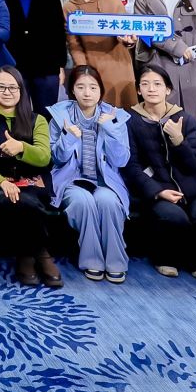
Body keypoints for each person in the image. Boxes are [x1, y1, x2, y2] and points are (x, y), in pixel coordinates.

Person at [122, 64, 196, 280]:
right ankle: (165, 259)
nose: (151, 89)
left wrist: (178, 140)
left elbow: (195, 165)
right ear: (138, 90)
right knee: (174, 217)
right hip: (156, 188)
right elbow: (131, 166)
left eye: (157, 84)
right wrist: (158, 191)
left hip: (191, 189)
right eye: (145, 84)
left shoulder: (185, 118)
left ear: (168, 89)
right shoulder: (130, 120)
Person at [47, 66, 132, 283]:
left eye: (93, 87)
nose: (87, 93)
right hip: (69, 180)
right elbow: (55, 159)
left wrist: (111, 129)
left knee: (108, 201)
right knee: (83, 201)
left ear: (100, 90)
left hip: (105, 181)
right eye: (81, 87)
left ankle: (116, 261)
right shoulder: (59, 116)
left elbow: (121, 161)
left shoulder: (115, 117)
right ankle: (92, 260)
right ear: (72, 90)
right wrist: (67, 137)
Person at [0, 63, 59, 288]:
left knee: (28, 199)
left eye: (12, 87)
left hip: (33, 181)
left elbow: (44, 157)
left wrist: (21, 148)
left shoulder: (37, 120)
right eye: (1, 87)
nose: (7, 92)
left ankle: (29, 254)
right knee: (6, 200)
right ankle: (39, 253)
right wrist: (1, 182)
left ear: (21, 90)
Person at [0, 0, 67, 113]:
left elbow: (58, 31)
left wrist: (60, 66)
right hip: (12, 66)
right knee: (16, 115)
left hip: (46, 67)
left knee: (46, 115)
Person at [63, 0, 137, 109]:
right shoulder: (69, 7)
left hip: (118, 64)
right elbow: (74, 44)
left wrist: (128, 41)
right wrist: (83, 70)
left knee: (124, 110)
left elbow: (125, 34)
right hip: (90, 66)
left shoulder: (113, 2)